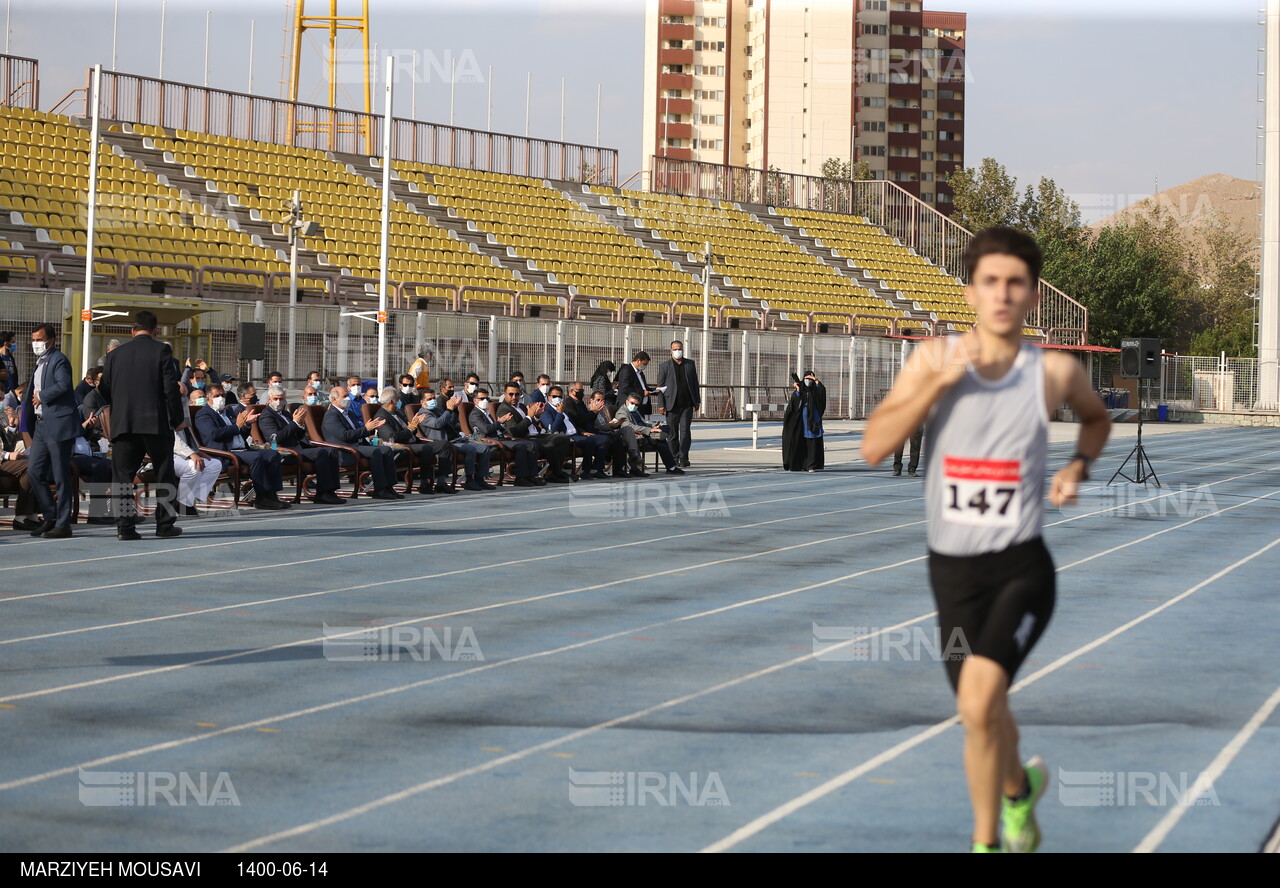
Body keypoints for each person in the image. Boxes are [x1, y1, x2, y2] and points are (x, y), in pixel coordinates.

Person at [861, 227, 1111, 853]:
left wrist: (1078, 466)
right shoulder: (931, 359)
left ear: (1032, 295)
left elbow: (1098, 417)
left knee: (977, 699)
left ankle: (986, 843)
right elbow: (873, 447)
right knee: (982, 711)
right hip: (951, 574)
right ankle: (1018, 794)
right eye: (990, 281)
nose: (1002, 294)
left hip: (1021, 569)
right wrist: (933, 388)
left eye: (1016, 283)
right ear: (970, 290)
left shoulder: (1051, 371)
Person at [100, 310, 188, 540]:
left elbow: (103, 389)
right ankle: (164, 525)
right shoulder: (161, 350)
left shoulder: (114, 356)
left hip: (124, 424)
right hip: (155, 423)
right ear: (155, 331)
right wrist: (178, 419)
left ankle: (125, 528)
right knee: (164, 475)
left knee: (122, 478)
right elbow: (170, 388)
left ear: (132, 330)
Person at [193, 383, 292, 511]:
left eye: (222, 395)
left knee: (273, 454)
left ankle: (272, 495)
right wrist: (237, 426)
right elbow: (214, 434)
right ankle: (262, 498)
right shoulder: (204, 414)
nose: (220, 398)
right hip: (224, 452)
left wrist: (246, 425)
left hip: (241, 449)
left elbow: (240, 434)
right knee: (255, 457)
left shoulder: (228, 412)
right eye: (216, 396)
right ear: (208, 399)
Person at [21, 324, 79, 538]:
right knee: (34, 472)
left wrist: (42, 396)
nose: (36, 343)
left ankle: (63, 524)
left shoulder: (59, 360)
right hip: (41, 426)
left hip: (58, 425)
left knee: (61, 475)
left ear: (52, 340)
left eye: (40, 339)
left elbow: (64, 385)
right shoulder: (39, 362)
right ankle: (50, 516)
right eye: (34, 339)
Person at [255, 385, 347, 505]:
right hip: (284, 451)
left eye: (282, 399)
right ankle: (322, 493)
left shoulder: (286, 414)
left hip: (298, 447)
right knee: (321, 453)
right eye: (276, 399)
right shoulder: (267, 415)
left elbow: (297, 435)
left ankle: (331, 490)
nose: (279, 402)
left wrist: (301, 425)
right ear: (269, 400)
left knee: (331, 451)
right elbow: (276, 438)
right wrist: (294, 423)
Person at [322, 386, 403, 500]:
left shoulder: (348, 413)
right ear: (335, 400)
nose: (348, 399)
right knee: (376, 452)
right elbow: (344, 435)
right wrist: (366, 429)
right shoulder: (331, 415)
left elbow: (358, 431)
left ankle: (389, 486)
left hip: (357, 445)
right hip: (345, 449)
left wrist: (370, 430)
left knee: (386, 450)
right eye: (344, 396)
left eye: (347, 396)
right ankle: (379, 489)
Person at [414, 387, 494, 491]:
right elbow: (437, 424)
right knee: (470, 449)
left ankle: (480, 479)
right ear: (422, 402)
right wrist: (449, 410)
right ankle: (469, 480)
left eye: (434, 398)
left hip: (456, 439)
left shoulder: (437, 410)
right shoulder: (423, 414)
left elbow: (450, 422)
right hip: (443, 443)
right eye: (429, 399)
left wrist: (455, 410)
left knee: (484, 448)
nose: (432, 401)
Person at [496, 382, 571, 482]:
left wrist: (536, 416)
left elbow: (531, 424)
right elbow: (514, 431)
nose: (514, 397)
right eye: (511, 394)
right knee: (550, 445)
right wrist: (529, 416)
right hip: (524, 438)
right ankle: (555, 472)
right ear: (504, 394)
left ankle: (552, 471)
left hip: (536, 434)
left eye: (517, 394)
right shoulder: (504, 409)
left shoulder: (522, 406)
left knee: (563, 438)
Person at [467, 387, 543, 487]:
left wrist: (502, 424)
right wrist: (500, 421)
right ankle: (521, 478)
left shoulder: (486, 412)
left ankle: (532, 476)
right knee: (521, 446)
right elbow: (485, 429)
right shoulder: (475, 414)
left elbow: (496, 427)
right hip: (490, 440)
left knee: (530, 445)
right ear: (475, 400)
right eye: (482, 399)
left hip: (500, 437)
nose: (485, 401)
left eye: (487, 398)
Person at [172, 404, 224, 517]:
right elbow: (174, 440)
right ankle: (182, 504)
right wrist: (191, 454)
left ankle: (191, 498)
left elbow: (188, 438)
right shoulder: (166, 411)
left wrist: (197, 452)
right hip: (170, 455)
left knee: (214, 464)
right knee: (193, 466)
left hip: (186, 453)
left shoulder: (182, 410)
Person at [615, 392, 683, 475]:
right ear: (627, 402)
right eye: (632, 403)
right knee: (659, 440)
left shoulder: (635, 411)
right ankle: (671, 467)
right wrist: (650, 430)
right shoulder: (622, 412)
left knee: (664, 430)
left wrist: (654, 426)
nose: (634, 406)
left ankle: (671, 466)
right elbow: (629, 426)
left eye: (636, 405)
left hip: (645, 434)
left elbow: (644, 423)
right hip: (636, 437)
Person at [656, 340, 700, 468]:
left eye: (679, 349)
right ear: (671, 351)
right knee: (672, 433)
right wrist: (661, 404)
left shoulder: (690, 364)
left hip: (687, 404)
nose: (677, 351)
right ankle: (674, 457)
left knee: (685, 431)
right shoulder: (665, 366)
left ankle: (684, 457)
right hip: (671, 404)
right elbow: (660, 387)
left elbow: (695, 383)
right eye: (675, 349)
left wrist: (697, 400)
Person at [782, 370, 826, 472]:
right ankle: (799, 465)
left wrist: (816, 380)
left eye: (810, 379)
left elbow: (822, 393)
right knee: (799, 442)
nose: (808, 381)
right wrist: (798, 390)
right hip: (801, 422)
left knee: (812, 444)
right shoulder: (800, 390)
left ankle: (811, 465)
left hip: (813, 422)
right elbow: (794, 405)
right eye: (806, 379)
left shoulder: (816, 390)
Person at [615, 351, 658, 416]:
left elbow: (644, 388)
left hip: (640, 406)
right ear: (638, 360)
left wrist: (655, 390)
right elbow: (625, 388)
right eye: (644, 364)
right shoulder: (627, 370)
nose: (644, 366)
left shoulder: (640, 373)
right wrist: (642, 393)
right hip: (629, 405)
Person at [0, 331, 19, 396]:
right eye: (12, 342)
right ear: (6, 344)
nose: (14, 345)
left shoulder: (11, 358)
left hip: (11, 394)